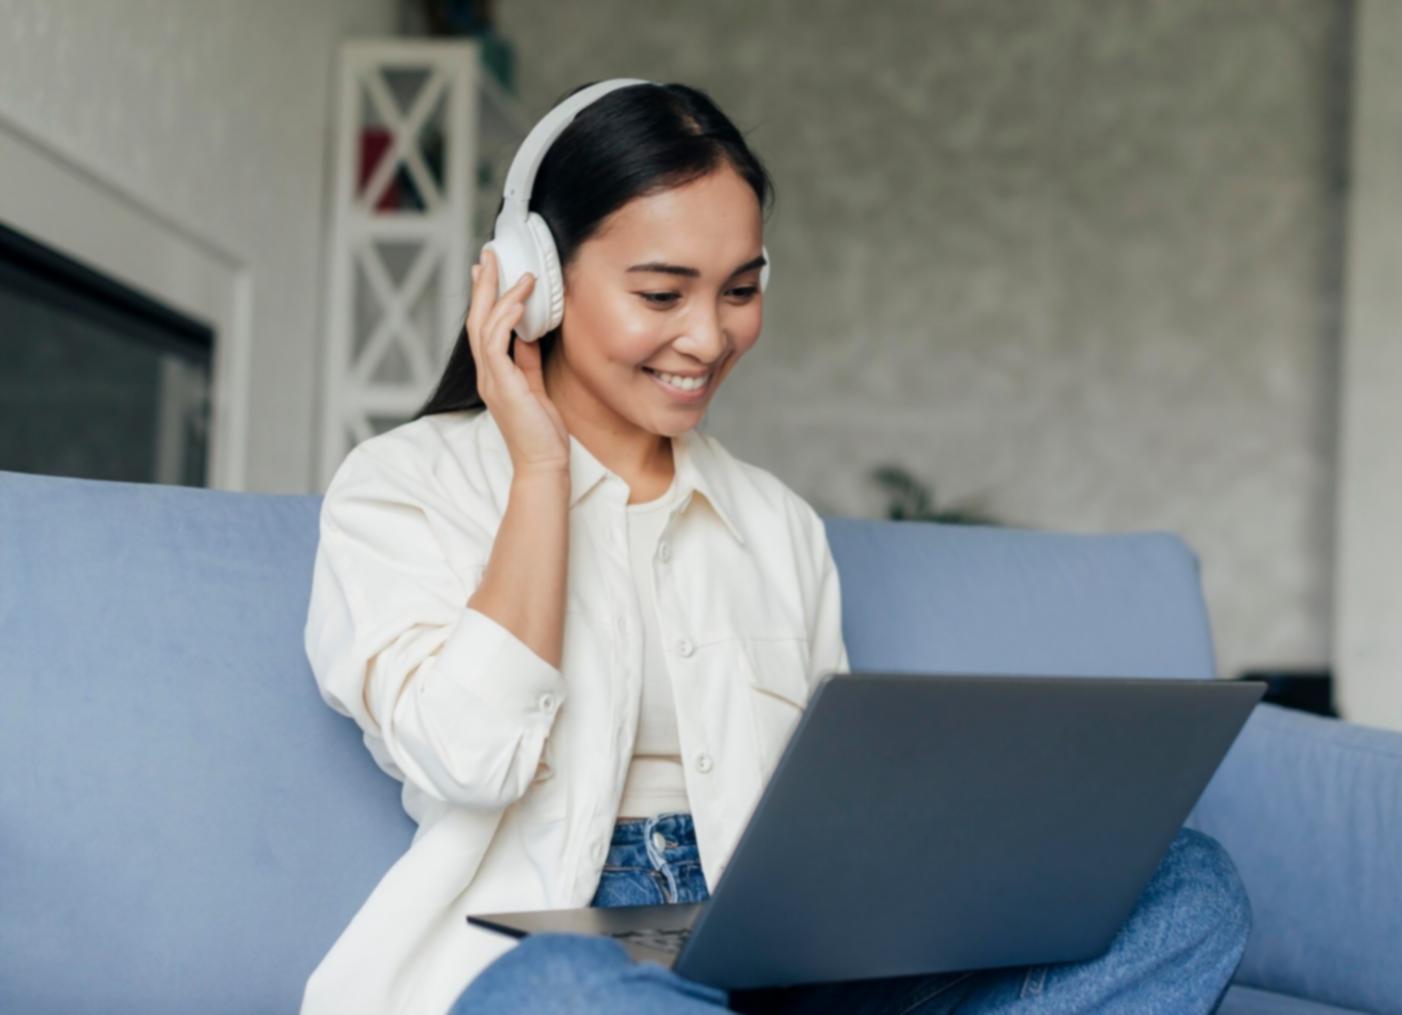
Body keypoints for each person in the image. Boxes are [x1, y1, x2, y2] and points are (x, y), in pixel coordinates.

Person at [302, 80, 1252, 1015]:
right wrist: (540, 472)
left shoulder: (775, 524)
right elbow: (471, 758)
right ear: (534, 280)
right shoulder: (401, 486)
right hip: (557, 959)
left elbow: (823, 824)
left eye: (741, 290)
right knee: (559, 991)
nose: (709, 337)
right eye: (663, 292)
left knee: (1187, 885)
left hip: (778, 957)